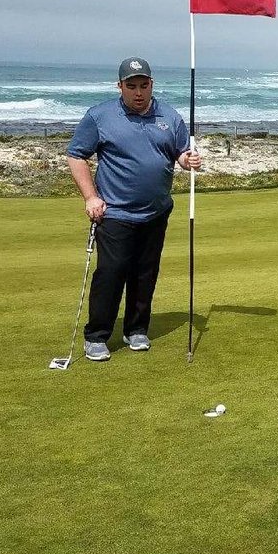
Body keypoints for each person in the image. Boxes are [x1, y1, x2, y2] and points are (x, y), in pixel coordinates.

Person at [66, 57, 202, 362]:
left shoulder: (169, 116)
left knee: (145, 272)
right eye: (131, 86)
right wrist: (91, 197)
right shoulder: (100, 116)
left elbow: (179, 151)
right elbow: (76, 156)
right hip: (115, 212)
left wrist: (187, 160)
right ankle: (97, 335)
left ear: (151, 84)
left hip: (156, 211)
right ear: (120, 86)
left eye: (143, 85)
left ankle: (136, 329)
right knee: (112, 273)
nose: (138, 92)